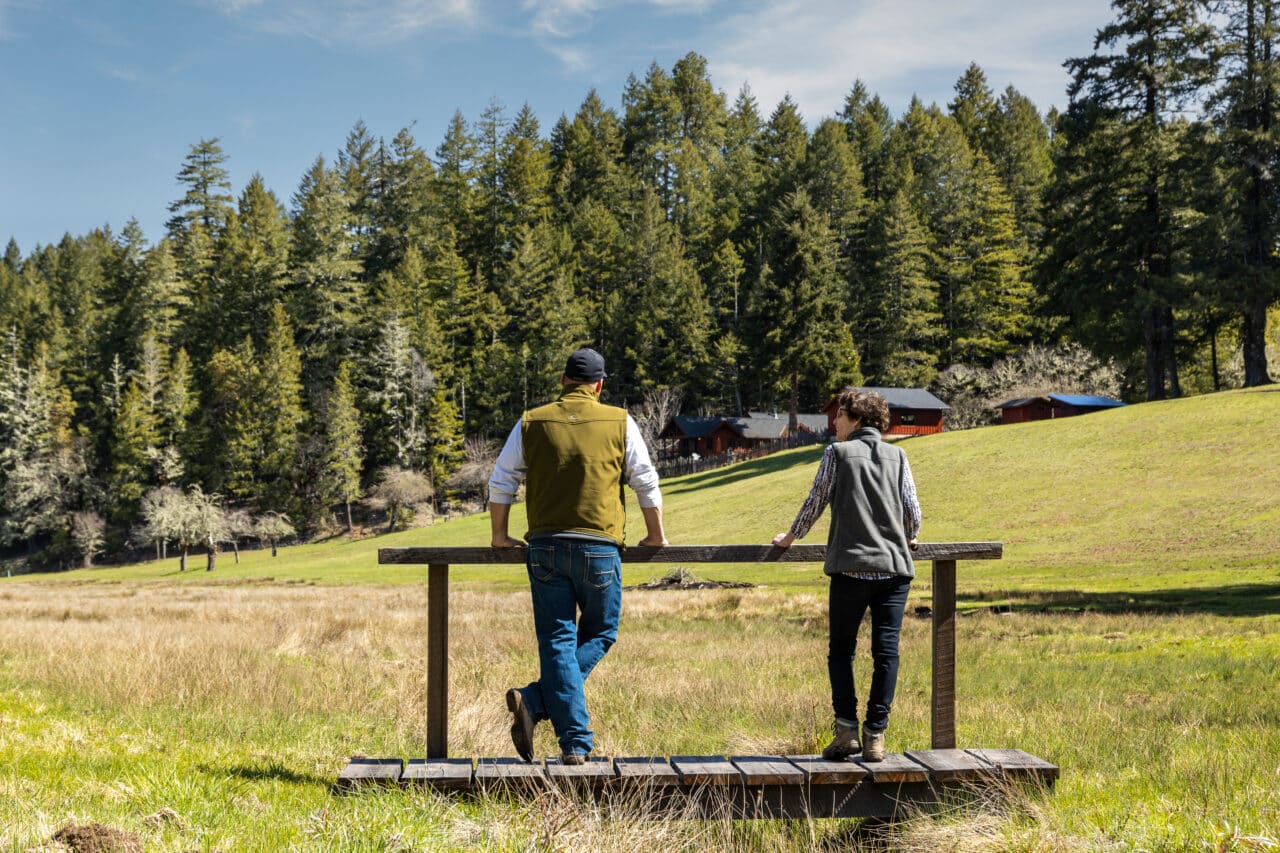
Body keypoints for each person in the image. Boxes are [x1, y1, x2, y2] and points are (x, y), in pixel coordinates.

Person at [488, 347, 668, 765]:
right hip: (599, 547)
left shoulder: (531, 421)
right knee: (601, 633)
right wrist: (655, 533)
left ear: (564, 381)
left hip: (545, 545)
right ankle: (562, 729)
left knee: (557, 641)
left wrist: (500, 535)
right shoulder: (619, 420)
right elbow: (644, 479)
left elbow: (502, 479)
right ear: (599, 386)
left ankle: (548, 714)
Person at [772, 388, 920, 762]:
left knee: (842, 651)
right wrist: (910, 536)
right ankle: (876, 737)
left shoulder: (836, 454)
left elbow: (816, 500)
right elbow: (912, 512)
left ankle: (846, 733)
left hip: (851, 571)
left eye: (839, 415)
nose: (834, 422)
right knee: (886, 654)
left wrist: (790, 538)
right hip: (892, 571)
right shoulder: (898, 455)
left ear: (856, 420)